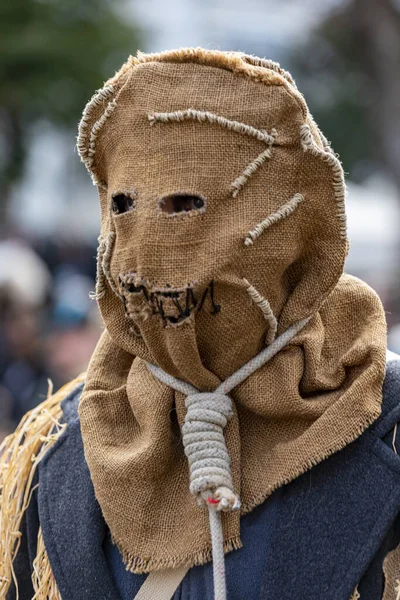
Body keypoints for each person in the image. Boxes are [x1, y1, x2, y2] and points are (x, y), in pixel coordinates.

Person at [1, 47, 400, 600]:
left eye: (184, 203)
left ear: (289, 219)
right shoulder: (53, 448)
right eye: (123, 205)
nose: (147, 242)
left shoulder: (383, 422)